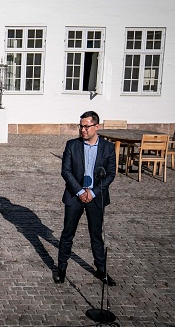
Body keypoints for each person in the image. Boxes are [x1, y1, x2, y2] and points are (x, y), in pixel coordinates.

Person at [55, 110, 116, 286]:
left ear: (96, 127)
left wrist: (94, 192)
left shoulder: (108, 148)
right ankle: (61, 269)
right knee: (67, 234)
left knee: (96, 235)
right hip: (74, 196)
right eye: (81, 126)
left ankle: (101, 270)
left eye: (86, 126)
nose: (83, 130)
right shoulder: (72, 145)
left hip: (96, 197)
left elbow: (111, 174)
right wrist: (80, 192)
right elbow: (65, 171)